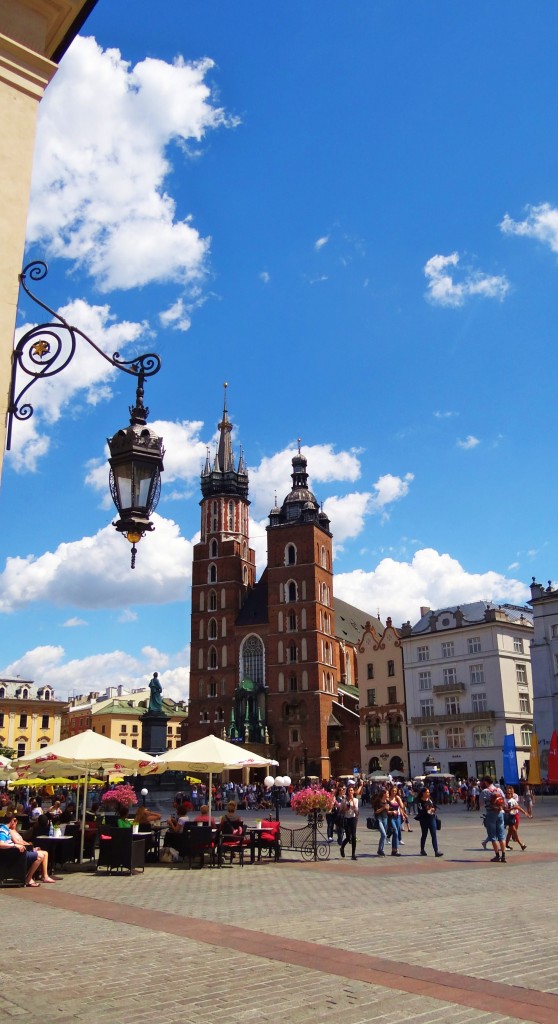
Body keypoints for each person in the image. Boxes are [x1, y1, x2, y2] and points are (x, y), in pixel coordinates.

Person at [0, 813, 56, 886]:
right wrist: (15, 845)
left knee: (42, 854)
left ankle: (35, 877)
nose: (16, 823)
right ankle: (29, 878)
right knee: (40, 856)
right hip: (16, 855)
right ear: (12, 821)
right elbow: (1, 844)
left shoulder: (6, 830)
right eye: (15, 821)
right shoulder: (3, 830)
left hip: (17, 853)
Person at [480, 778, 507, 863]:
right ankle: (503, 856)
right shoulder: (499, 790)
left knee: (493, 836)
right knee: (501, 835)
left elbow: (481, 804)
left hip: (491, 813)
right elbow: (504, 802)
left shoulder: (485, 791)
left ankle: (497, 856)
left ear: (486, 782)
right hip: (500, 813)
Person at [415, 787, 443, 857]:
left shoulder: (430, 799)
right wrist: (427, 810)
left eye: (428, 792)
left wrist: (433, 809)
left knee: (434, 834)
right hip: (424, 820)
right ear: (423, 793)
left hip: (432, 818)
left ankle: (436, 851)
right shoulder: (420, 802)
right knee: (424, 834)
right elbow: (420, 811)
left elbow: (434, 806)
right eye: (427, 792)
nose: (428, 793)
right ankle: (422, 850)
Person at [504, 785, 529, 851]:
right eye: (507, 793)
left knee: (510, 832)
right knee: (514, 831)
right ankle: (521, 845)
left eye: (510, 793)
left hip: (512, 817)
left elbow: (518, 807)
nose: (509, 794)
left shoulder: (513, 800)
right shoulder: (504, 800)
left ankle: (506, 845)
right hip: (507, 817)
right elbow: (505, 809)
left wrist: (525, 812)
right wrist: (512, 808)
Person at [340, 783, 359, 860]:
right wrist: (345, 809)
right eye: (349, 790)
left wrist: (353, 804)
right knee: (348, 837)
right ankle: (342, 847)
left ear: (353, 791)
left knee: (353, 836)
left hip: (353, 818)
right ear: (347, 792)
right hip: (346, 818)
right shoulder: (344, 800)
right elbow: (341, 811)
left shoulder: (356, 800)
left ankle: (353, 854)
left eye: (352, 790)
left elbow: (357, 811)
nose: (350, 792)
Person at [372, 787, 391, 857]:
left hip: (385, 818)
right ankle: (380, 849)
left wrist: (390, 811)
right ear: (383, 794)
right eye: (387, 793)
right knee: (384, 834)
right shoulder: (378, 801)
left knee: (383, 835)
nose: (388, 794)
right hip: (379, 818)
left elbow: (387, 811)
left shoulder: (387, 801)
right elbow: (376, 811)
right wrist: (383, 808)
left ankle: (381, 850)